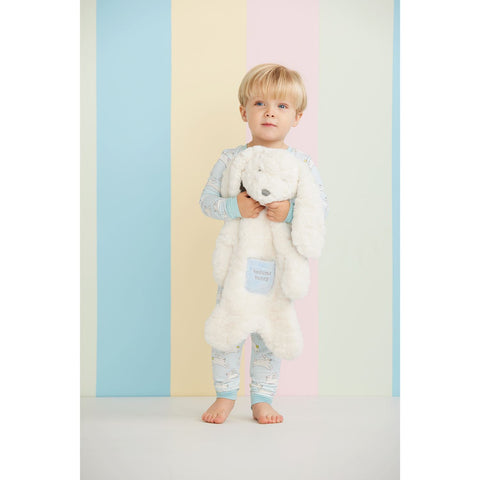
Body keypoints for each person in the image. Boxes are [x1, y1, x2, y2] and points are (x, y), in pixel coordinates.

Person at [199, 63, 328, 424]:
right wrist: (234, 207)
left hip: (277, 265)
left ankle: (262, 399)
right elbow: (206, 202)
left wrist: (289, 212)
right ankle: (225, 395)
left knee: (270, 332)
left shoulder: (301, 164)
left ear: (297, 117)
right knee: (229, 329)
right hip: (238, 263)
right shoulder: (230, 160)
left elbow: (319, 208)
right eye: (260, 104)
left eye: (282, 106)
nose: (270, 112)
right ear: (244, 112)